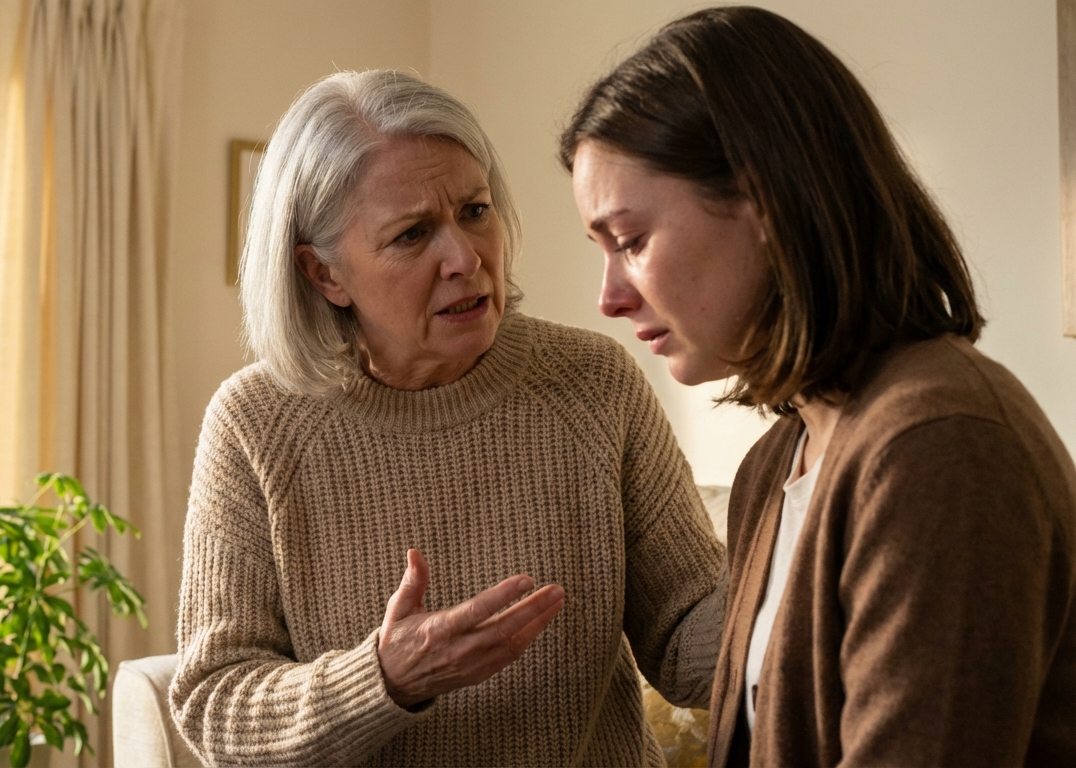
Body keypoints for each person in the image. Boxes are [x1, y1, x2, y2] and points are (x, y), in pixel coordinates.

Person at [561, 6, 1076, 767]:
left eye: (632, 241)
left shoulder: (939, 446)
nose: (609, 296)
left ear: (764, 199)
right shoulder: (777, 462)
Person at [170, 69, 726, 766]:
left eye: (474, 211)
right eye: (411, 235)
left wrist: (813, 536)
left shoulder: (592, 382)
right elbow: (215, 705)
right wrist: (384, 677)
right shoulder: (256, 424)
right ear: (324, 275)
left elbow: (685, 642)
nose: (466, 259)